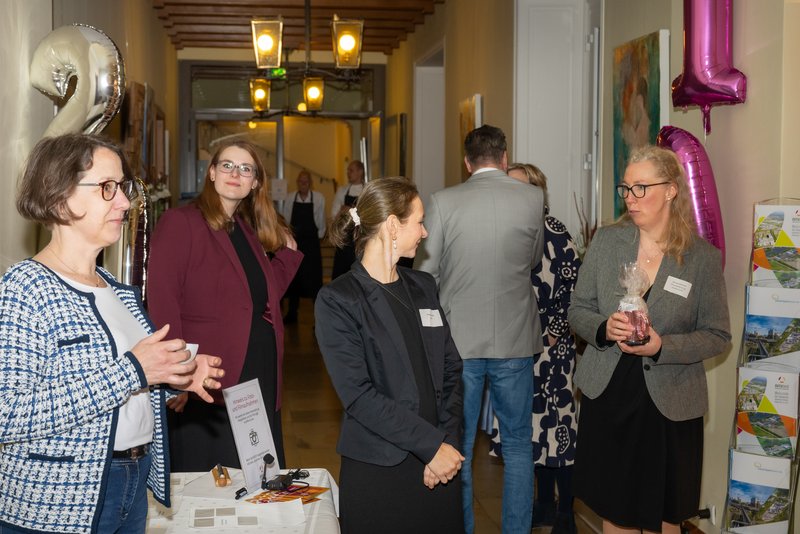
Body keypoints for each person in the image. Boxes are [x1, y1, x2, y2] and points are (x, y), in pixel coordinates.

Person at [0, 133, 224, 534]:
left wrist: (178, 376)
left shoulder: (116, 290)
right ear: (59, 197)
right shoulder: (25, 288)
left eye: (124, 187)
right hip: (58, 503)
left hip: (131, 486)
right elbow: (8, 414)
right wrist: (133, 371)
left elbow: (131, 388)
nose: (124, 201)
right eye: (107, 188)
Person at [568, 145, 731, 534]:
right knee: (616, 509)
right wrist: (605, 328)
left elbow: (717, 334)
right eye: (627, 188)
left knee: (667, 514)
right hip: (611, 392)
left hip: (671, 401)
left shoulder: (701, 258)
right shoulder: (607, 242)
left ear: (671, 190)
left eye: (641, 187)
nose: (630, 197)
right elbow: (578, 310)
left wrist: (663, 347)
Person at [315, 177, 465, 533]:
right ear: (393, 226)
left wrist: (446, 444)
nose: (425, 232)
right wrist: (430, 446)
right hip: (380, 471)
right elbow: (359, 396)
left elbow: (451, 370)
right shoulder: (340, 300)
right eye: (419, 221)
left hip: (439, 466)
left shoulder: (423, 286)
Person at [415, 124, 544, 534]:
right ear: (504, 158)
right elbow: (534, 257)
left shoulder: (443, 201)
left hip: (459, 342)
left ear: (467, 162)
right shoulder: (531, 198)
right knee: (520, 446)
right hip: (515, 336)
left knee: (459, 447)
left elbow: (426, 274)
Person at [147, 139, 302, 471]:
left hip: (257, 371)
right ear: (212, 173)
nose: (236, 173)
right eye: (227, 165)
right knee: (212, 477)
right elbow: (163, 303)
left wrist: (287, 258)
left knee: (256, 474)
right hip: (210, 375)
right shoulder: (181, 222)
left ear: (255, 182)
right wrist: (180, 372)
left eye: (246, 168)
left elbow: (260, 298)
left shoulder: (245, 231)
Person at [490, 163, 581, 533]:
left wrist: (554, 334)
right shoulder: (507, 231)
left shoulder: (555, 232)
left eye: (519, 187)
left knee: (559, 431)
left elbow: (573, 288)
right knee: (531, 433)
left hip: (551, 350)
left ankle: (566, 514)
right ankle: (543, 505)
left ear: (536, 193)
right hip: (515, 346)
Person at [281, 169, 326, 324]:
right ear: (297, 183)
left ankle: (318, 319)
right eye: (300, 181)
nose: (303, 184)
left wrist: (317, 238)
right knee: (294, 279)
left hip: (312, 245)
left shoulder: (319, 198)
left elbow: (321, 224)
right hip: (295, 244)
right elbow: (286, 221)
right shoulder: (289, 198)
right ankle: (292, 313)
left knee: (314, 281)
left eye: (306, 181)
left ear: (310, 183)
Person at [330, 160, 365, 279]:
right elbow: (334, 214)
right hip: (344, 240)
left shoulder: (367, 190)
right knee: (341, 276)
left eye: (351, 170)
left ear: (360, 172)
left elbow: (369, 216)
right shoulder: (342, 190)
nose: (348, 173)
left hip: (361, 239)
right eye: (347, 171)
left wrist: (349, 209)